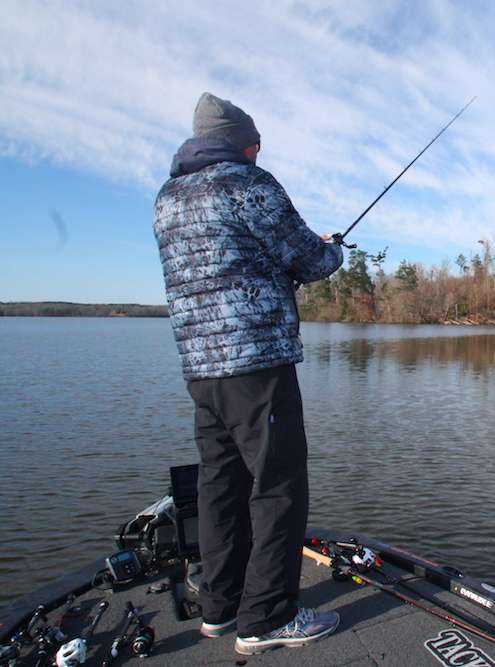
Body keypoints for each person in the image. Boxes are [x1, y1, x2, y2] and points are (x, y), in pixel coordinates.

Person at [153, 92, 344, 656]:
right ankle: (266, 618)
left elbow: (230, 256)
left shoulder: (167, 197)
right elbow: (309, 260)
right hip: (256, 363)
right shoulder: (248, 182)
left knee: (221, 485)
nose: (259, 154)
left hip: (200, 369)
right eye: (257, 146)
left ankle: (221, 605)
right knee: (279, 486)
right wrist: (332, 251)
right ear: (246, 143)